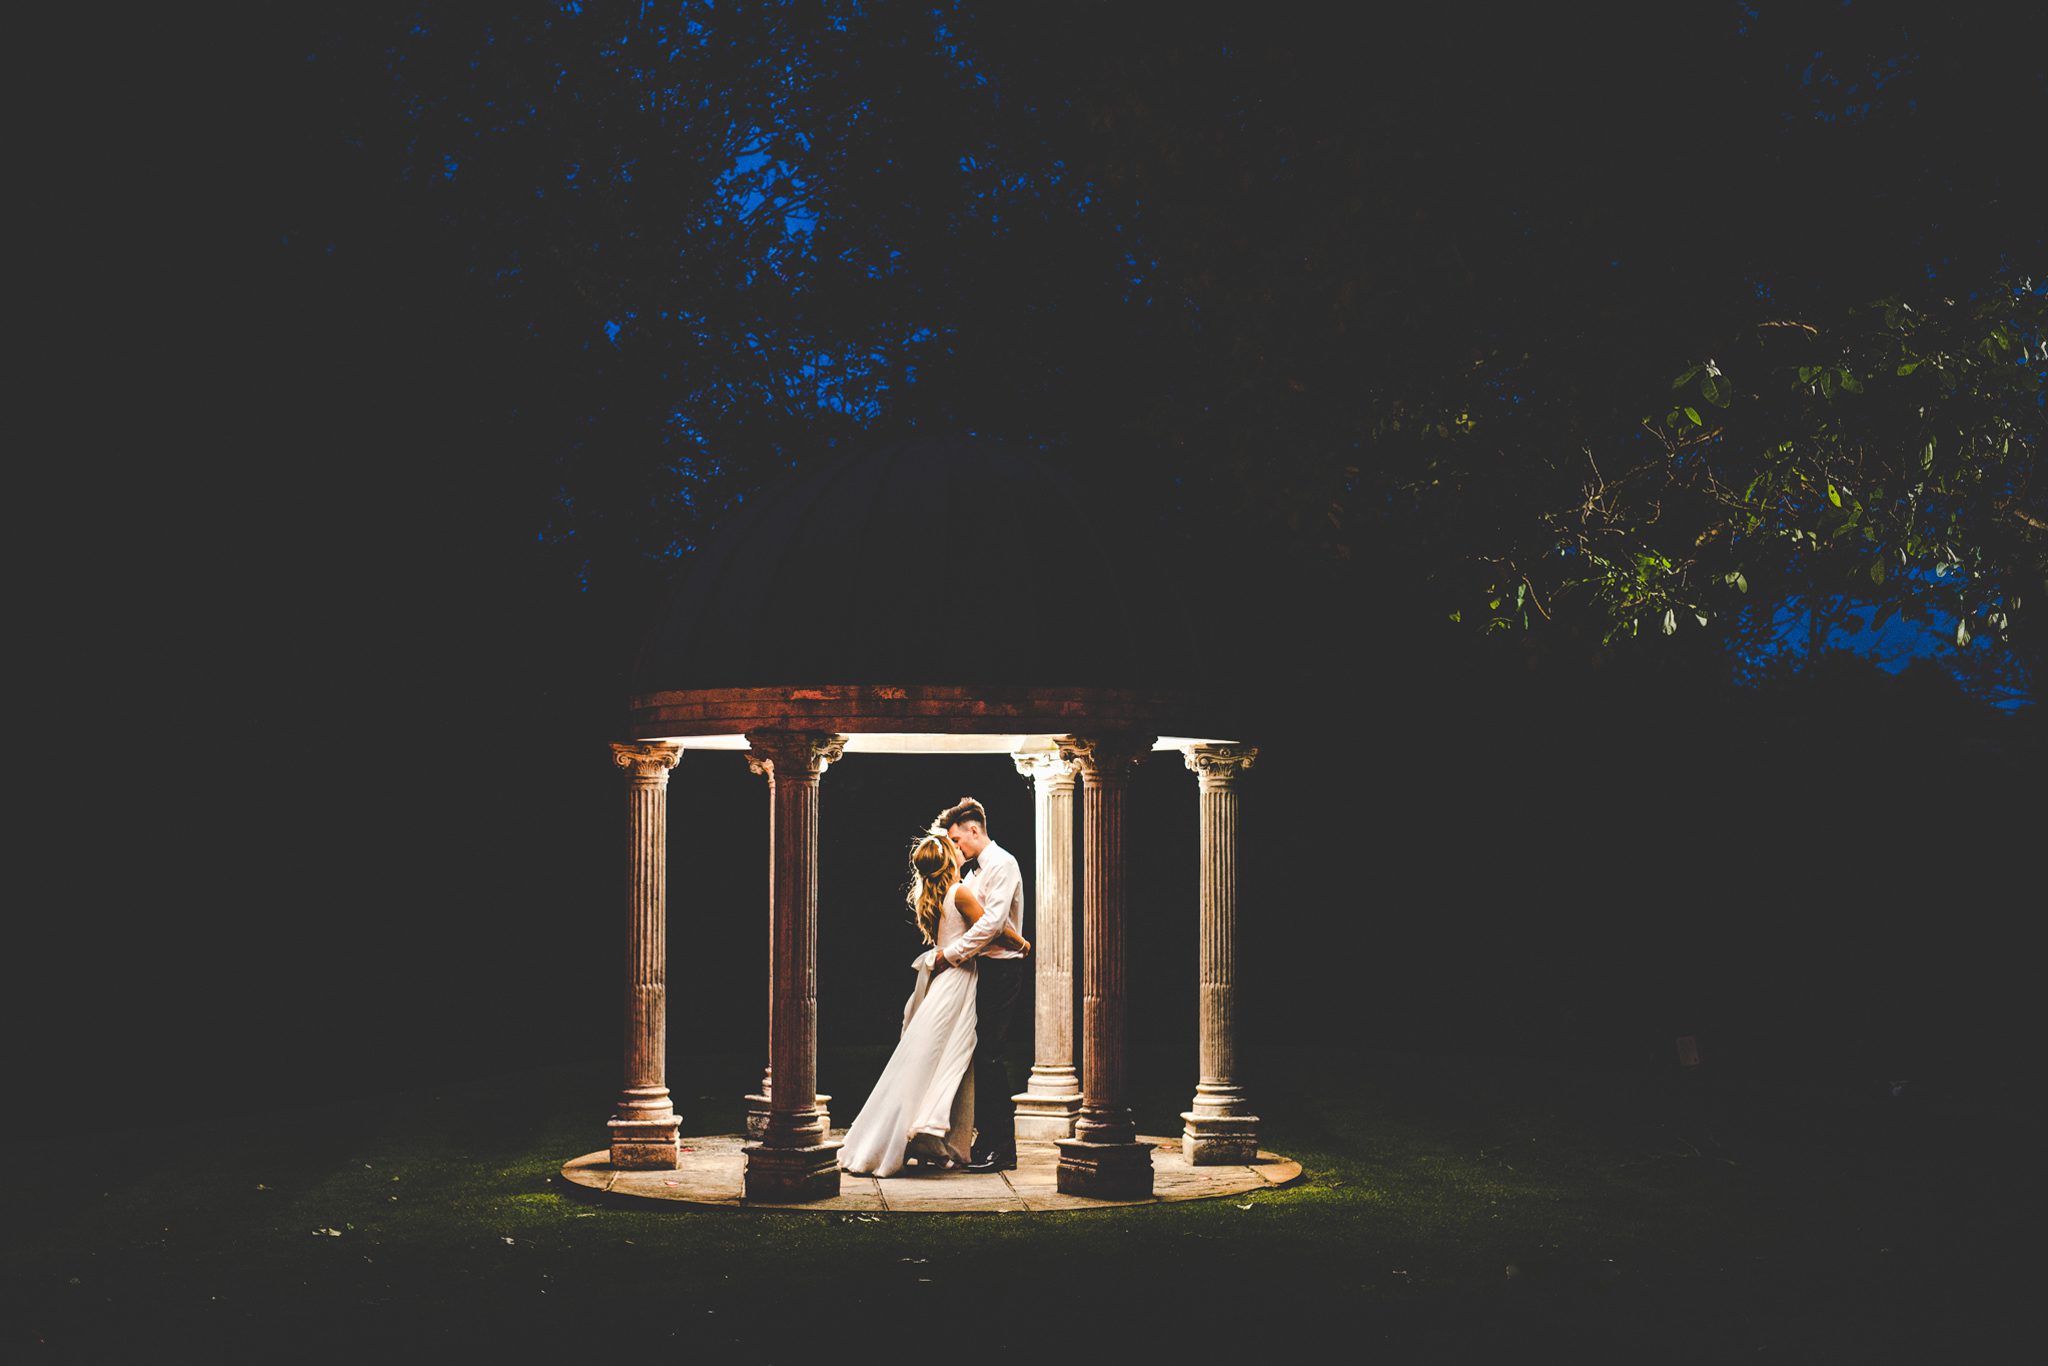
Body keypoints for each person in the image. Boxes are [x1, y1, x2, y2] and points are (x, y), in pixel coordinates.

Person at [838, 831, 1030, 1177]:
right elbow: (993, 927)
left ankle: (927, 1137)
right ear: (947, 859)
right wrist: (1023, 943)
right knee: (950, 1056)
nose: (960, 849)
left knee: (928, 1057)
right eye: (953, 847)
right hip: (958, 979)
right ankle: (931, 1131)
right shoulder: (959, 892)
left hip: (946, 979)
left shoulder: (939, 893)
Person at [929, 795, 1028, 1172]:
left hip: (1001, 970)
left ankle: (1002, 1148)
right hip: (980, 971)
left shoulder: (1002, 864)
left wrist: (951, 954)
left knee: (990, 1055)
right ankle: (985, 1138)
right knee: (977, 1056)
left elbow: (991, 925)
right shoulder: (971, 873)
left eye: (957, 840)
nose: (954, 847)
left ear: (974, 829)